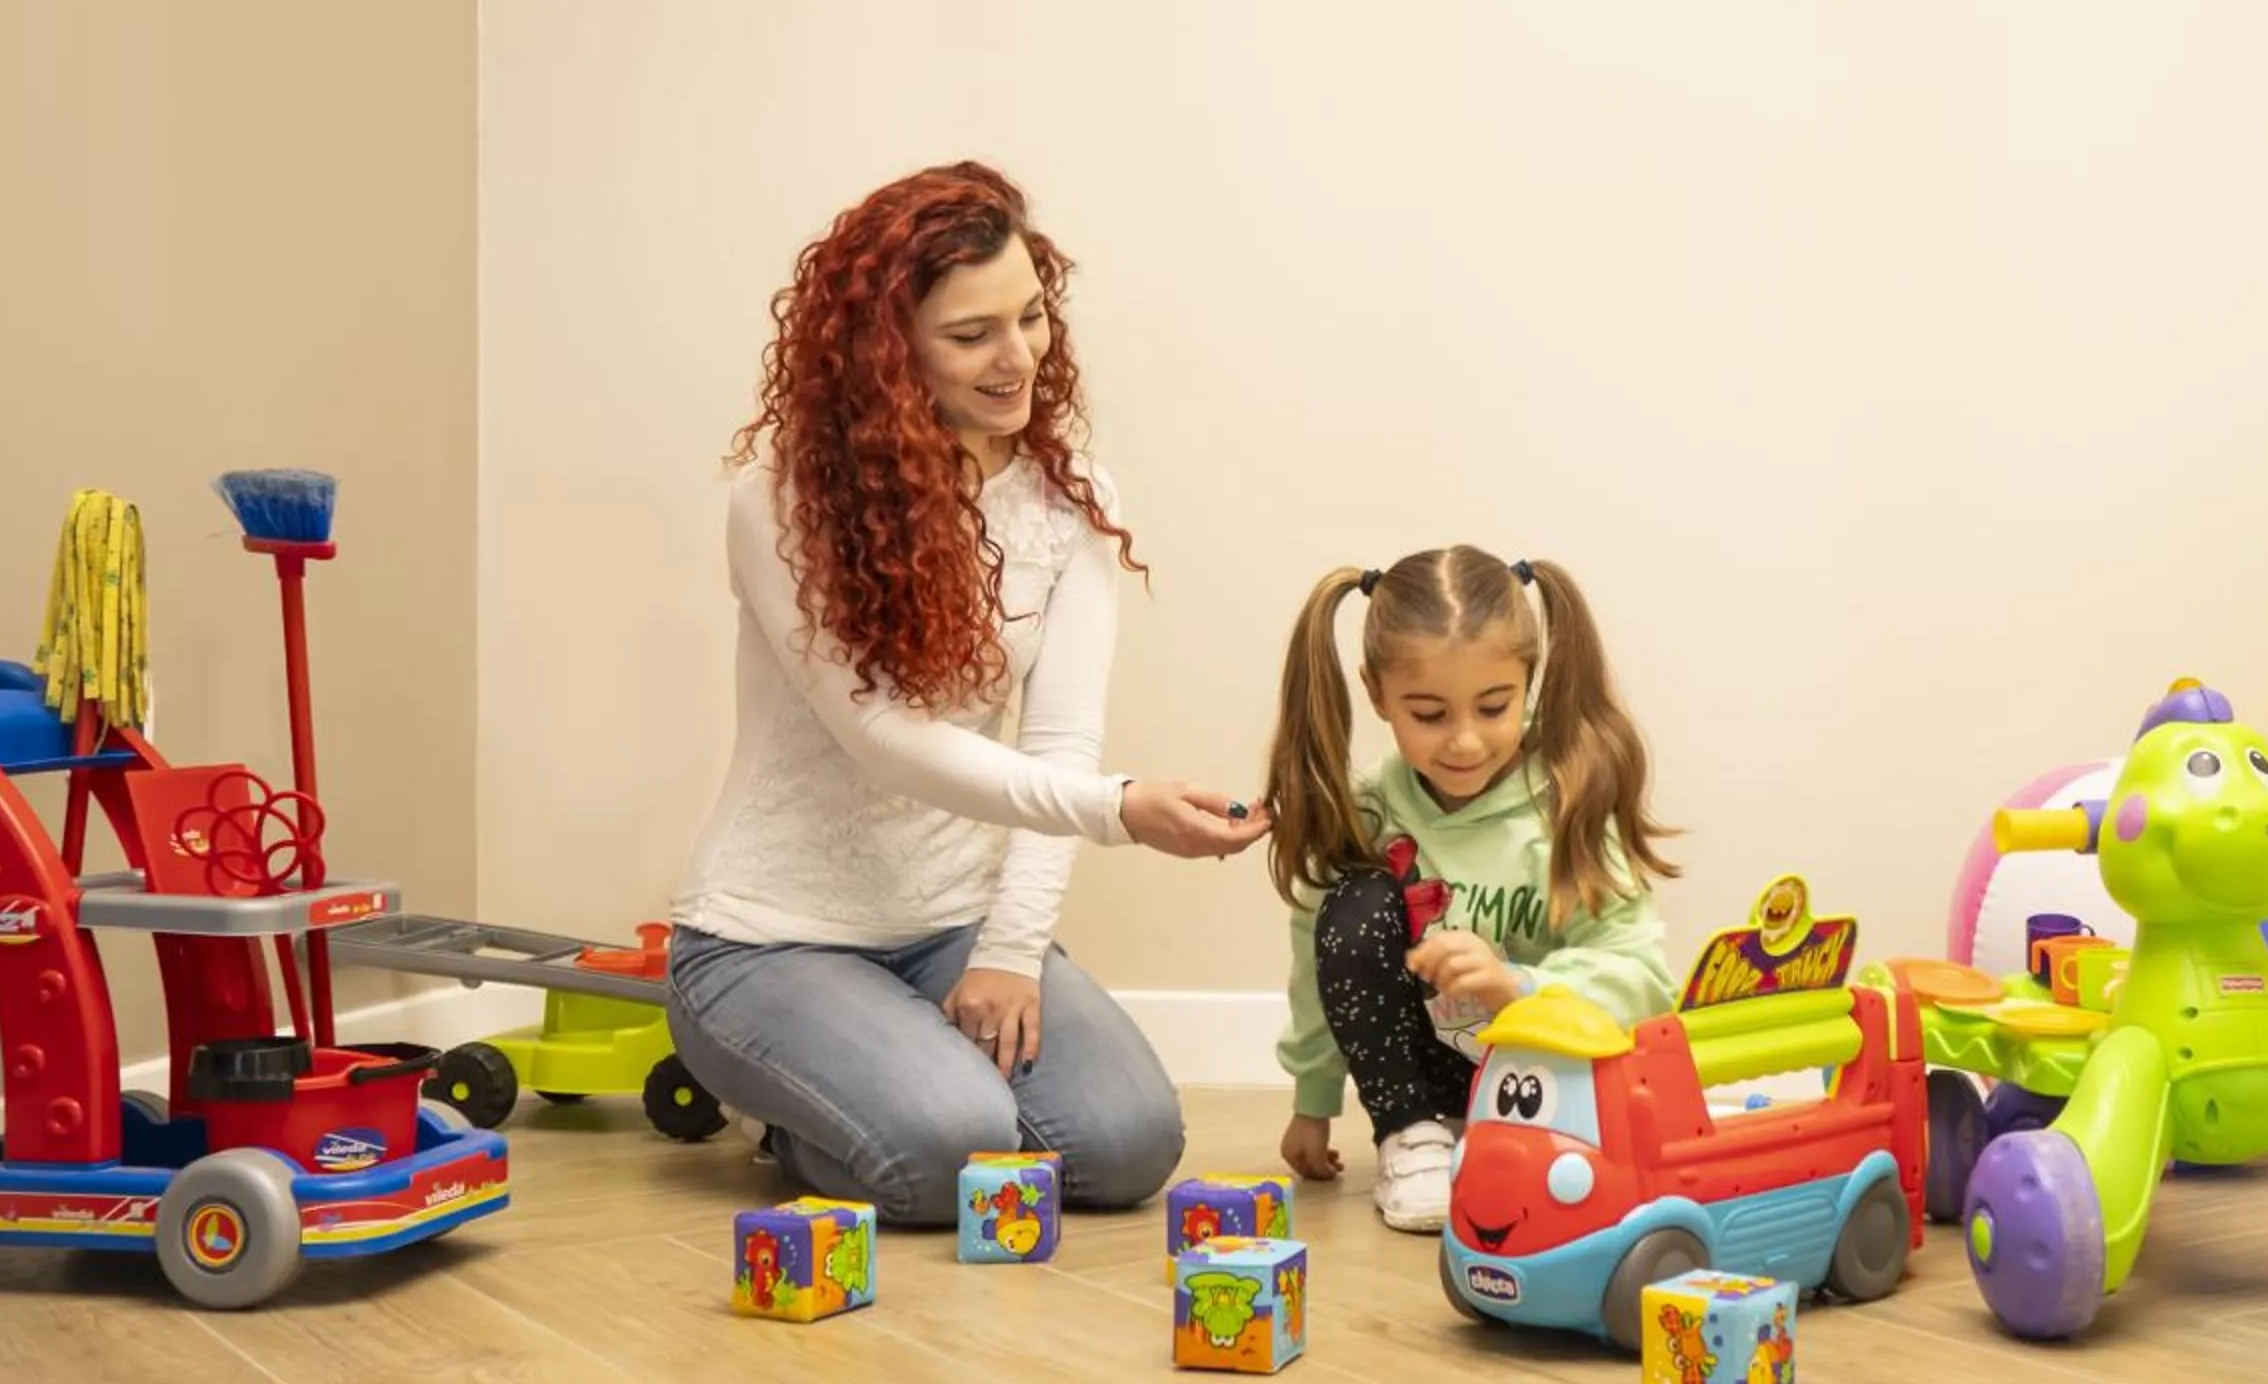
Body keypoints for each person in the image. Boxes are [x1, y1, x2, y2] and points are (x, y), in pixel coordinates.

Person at [666, 162, 1266, 1227]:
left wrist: (1006, 951)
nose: (1020, 355)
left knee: (1128, 1145)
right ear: (887, 355)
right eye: (973, 332)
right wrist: (1122, 809)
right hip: (770, 937)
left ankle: (894, 1074)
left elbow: (1062, 736)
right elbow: (884, 743)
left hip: (950, 922)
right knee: (955, 1145)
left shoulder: (1069, 493)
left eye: (1032, 315)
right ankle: (794, 1110)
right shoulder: (781, 501)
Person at [1261, 545, 1680, 1232]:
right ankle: (1413, 1135)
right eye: (1428, 714)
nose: (1464, 742)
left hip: (1555, 1080)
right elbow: (1318, 962)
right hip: (1429, 1082)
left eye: (1493, 707)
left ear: (1528, 681)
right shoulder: (1367, 814)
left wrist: (1516, 984)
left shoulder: (1569, 802)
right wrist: (1314, 1100)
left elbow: (1644, 978)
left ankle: (1507, 1134)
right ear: (1377, 694)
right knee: (1353, 905)